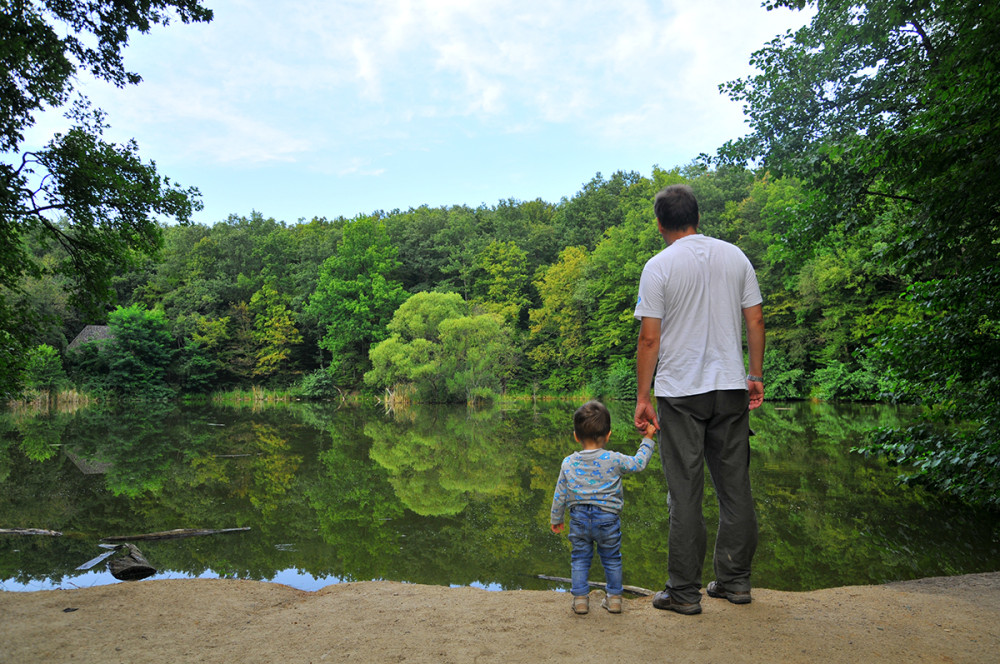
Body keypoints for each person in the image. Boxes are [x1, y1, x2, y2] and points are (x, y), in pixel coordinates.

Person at [633, 184, 765, 616]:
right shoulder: (735, 256)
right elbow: (756, 319)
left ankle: (685, 593)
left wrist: (642, 395)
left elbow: (650, 337)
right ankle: (735, 581)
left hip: (680, 392)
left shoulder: (658, 267)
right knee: (735, 488)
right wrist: (755, 375)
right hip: (730, 386)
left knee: (685, 492)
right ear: (697, 217)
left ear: (660, 224)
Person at [550, 400, 656, 615]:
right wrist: (648, 438)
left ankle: (580, 600)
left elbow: (560, 493)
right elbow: (638, 463)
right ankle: (614, 599)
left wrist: (556, 518)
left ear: (576, 436)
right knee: (612, 558)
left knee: (579, 558)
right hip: (608, 518)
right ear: (608, 435)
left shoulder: (568, 462)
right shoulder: (614, 459)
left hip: (578, 517)